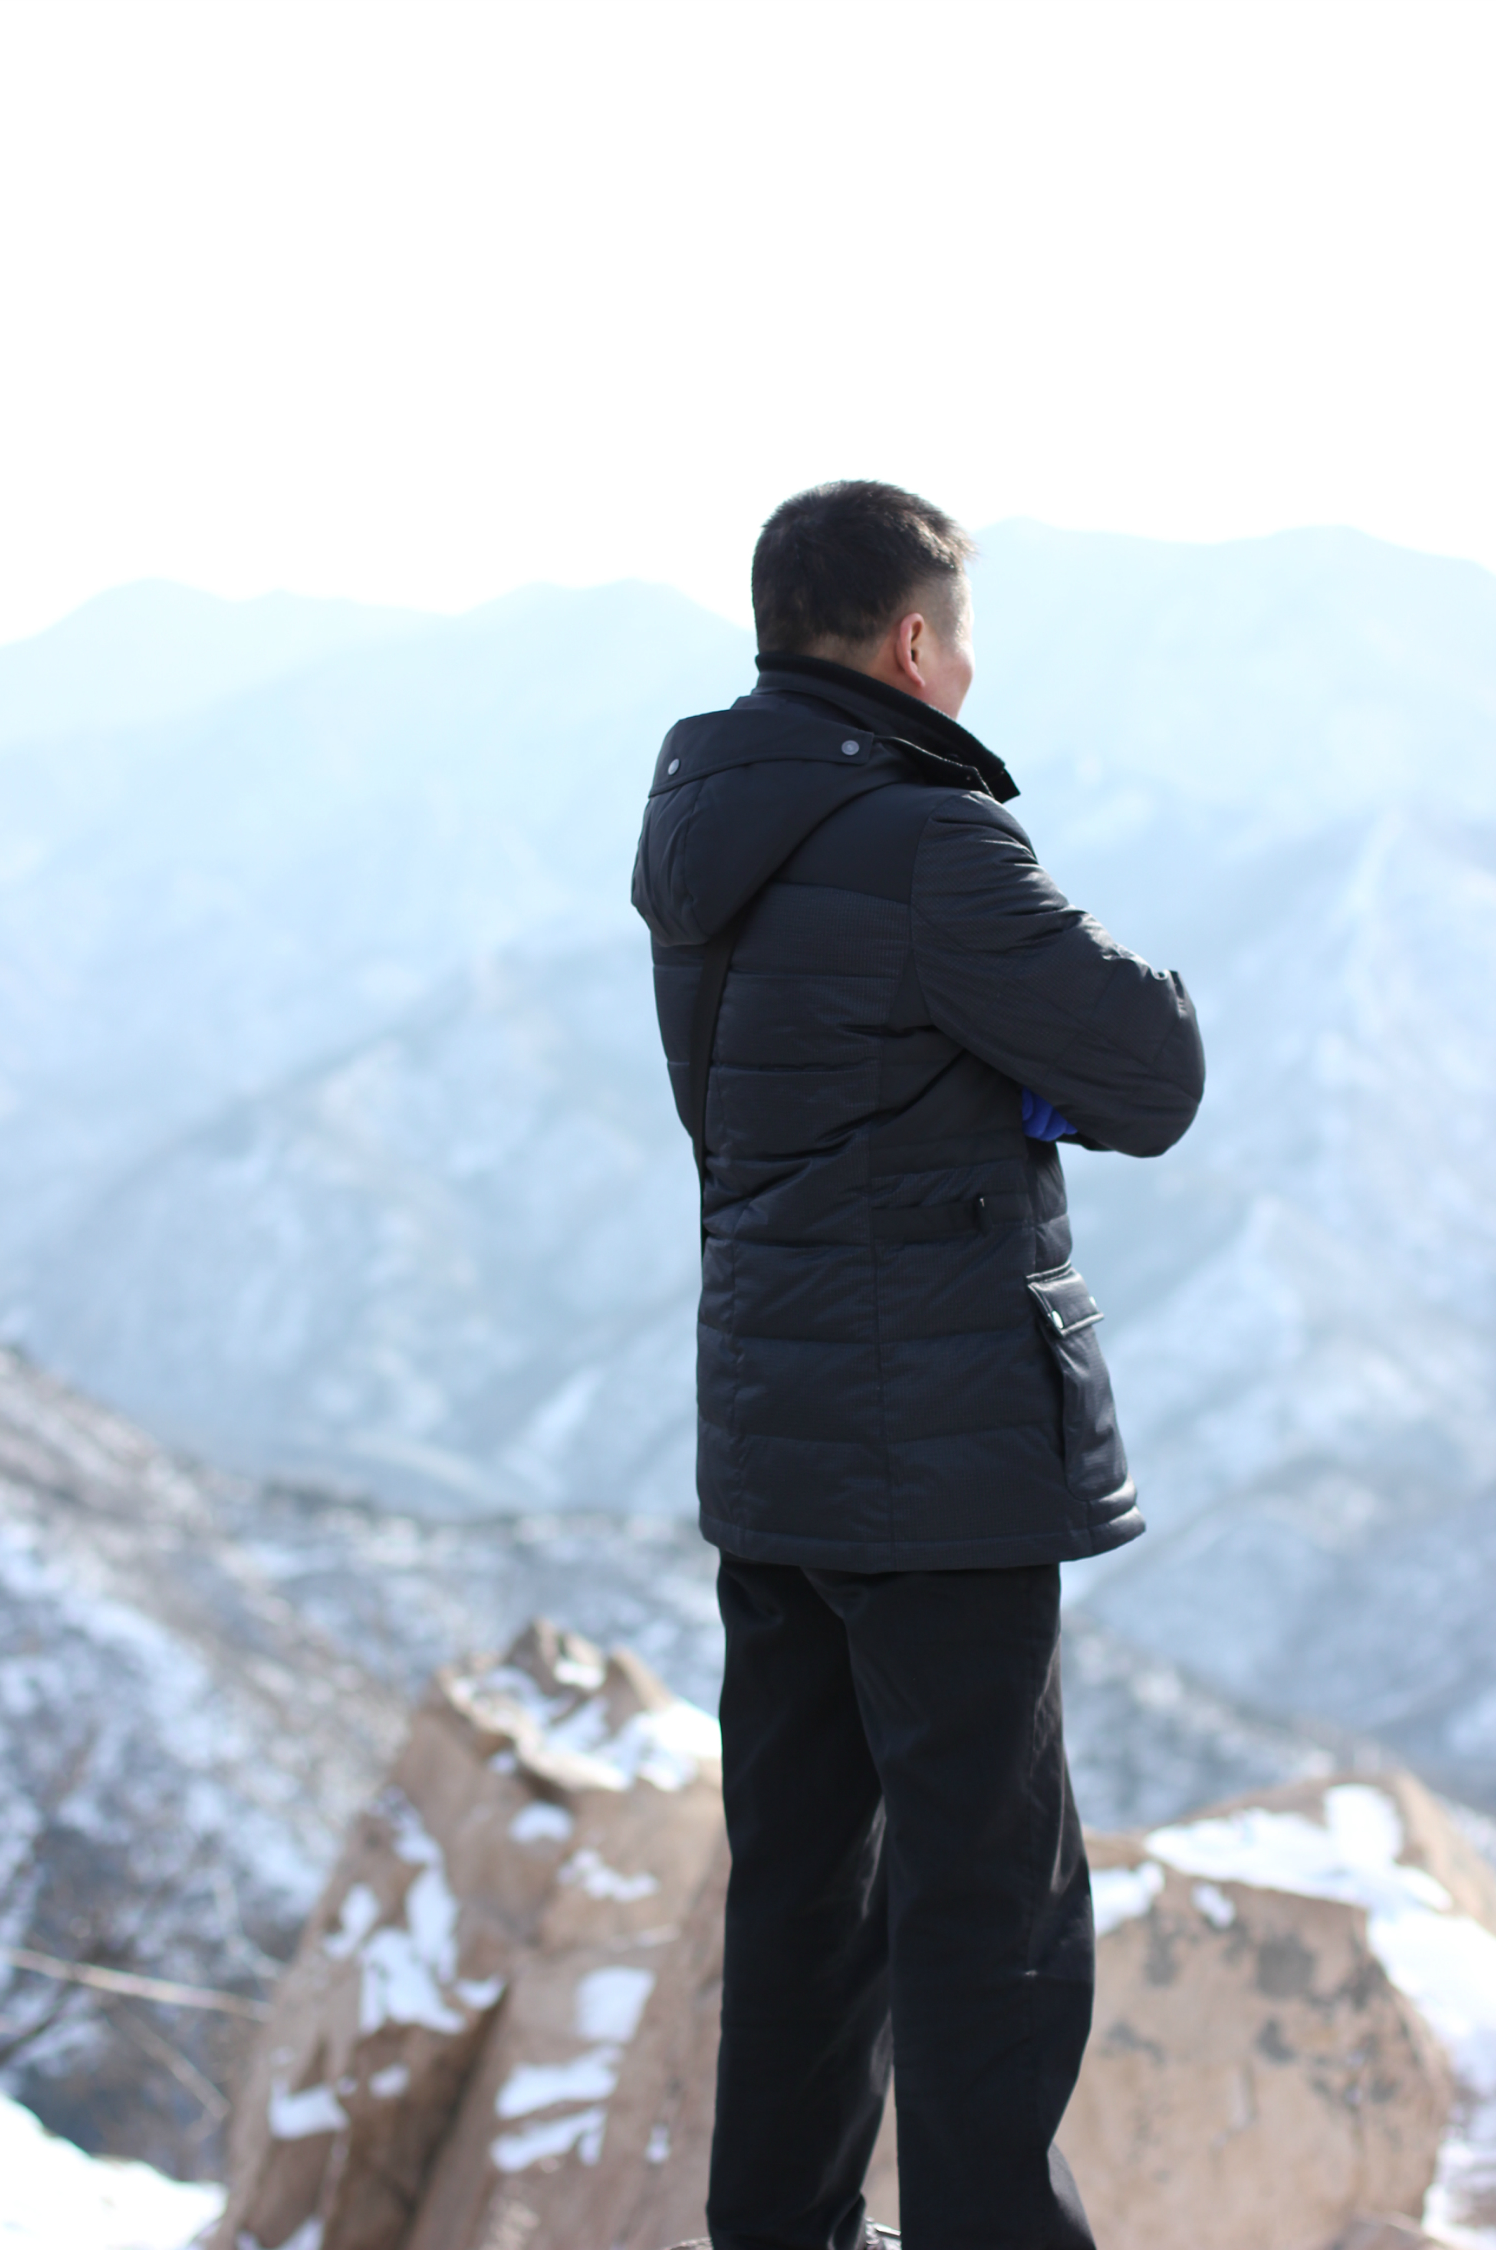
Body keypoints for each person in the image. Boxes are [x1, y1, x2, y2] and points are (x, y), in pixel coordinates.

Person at [631, 481, 1204, 2250]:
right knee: (991, 1902)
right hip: (940, 1464)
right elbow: (1151, 1073)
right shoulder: (937, 847)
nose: (968, 666)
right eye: (961, 633)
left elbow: (760, 1119)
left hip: (774, 1448)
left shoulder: (700, 827)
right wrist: (1021, 1066)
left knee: (804, 1887)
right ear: (910, 641)